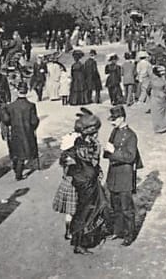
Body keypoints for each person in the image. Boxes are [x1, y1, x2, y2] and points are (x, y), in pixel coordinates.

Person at [59, 111, 109, 254]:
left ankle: (83, 238)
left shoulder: (80, 144)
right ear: (91, 133)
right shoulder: (84, 147)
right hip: (86, 184)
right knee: (85, 212)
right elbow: (91, 161)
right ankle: (80, 243)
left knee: (90, 210)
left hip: (87, 182)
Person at [104, 106, 143, 246]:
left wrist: (114, 151)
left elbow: (131, 157)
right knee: (115, 206)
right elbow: (108, 151)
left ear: (121, 118)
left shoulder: (131, 136)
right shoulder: (114, 131)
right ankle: (118, 230)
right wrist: (107, 151)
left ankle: (129, 234)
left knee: (127, 208)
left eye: (114, 120)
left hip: (125, 176)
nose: (112, 123)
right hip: (114, 174)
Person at [1, 82, 40, 181]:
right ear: (26, 91)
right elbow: (34, 121)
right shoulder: (31, 105)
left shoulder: (10, 106)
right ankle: (18, 174)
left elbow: (6, 120)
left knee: (16, 150)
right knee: (23, 152)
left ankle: (16, 168)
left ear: (17, 91)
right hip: (27, 132)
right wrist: (34, 126)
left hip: (15, 131)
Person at [52, 130, 80, 240]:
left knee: (69, 212)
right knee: (75, 210)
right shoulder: (74, 158)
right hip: (74, 185)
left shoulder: (64, 156)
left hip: (66, 184)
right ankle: (73, 231)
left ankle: (68, 232)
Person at [148, 65, 166, 133]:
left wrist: (150, 95)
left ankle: (157, 127)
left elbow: (148, 89)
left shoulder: (152, 80)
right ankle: (164, 126)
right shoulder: (163, 81)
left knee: (155, 114)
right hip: (162, 97)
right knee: (163, 113)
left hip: (154, 97)